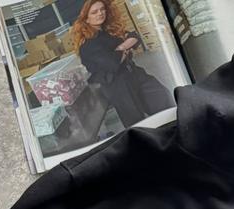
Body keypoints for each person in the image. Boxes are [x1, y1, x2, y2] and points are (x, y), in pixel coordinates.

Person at [72, 0, 174, 128]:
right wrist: (126, 47)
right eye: (94, 12)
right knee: (138, 123)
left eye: (102, 9)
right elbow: (112, 63)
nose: (100, 13)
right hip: (117, 84)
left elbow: (134, 36)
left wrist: (120, 48)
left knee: (162, 98)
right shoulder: (88, 44)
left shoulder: (109, 30)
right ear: (86, 18)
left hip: (133, 72)